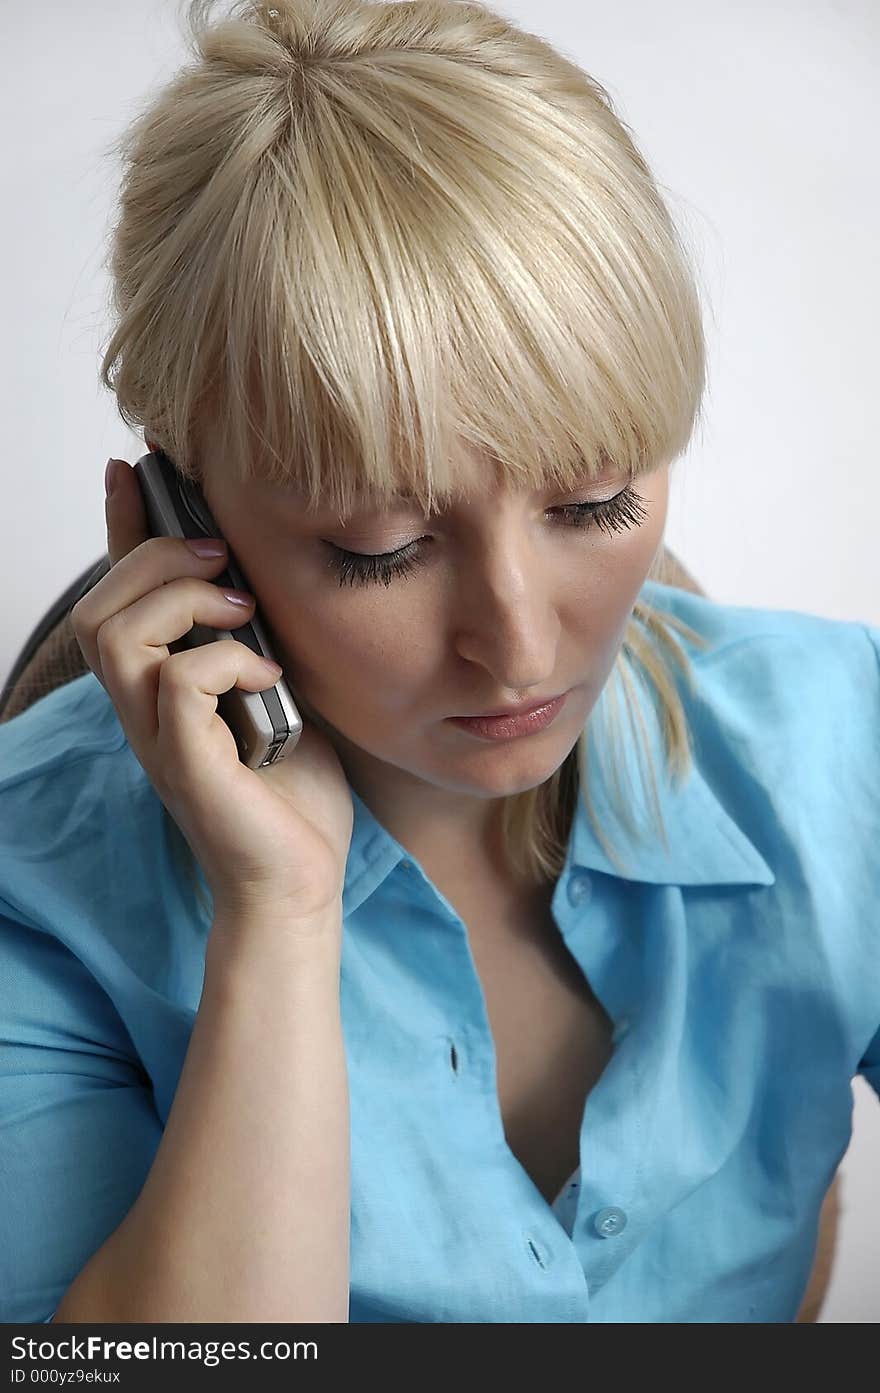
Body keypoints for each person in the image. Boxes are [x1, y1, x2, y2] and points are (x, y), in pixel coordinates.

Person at [1, 0, 878, 1324]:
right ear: (184, 512)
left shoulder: (842, 737)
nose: (520, 644)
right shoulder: (31, 884)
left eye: (593, 504)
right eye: (380, 545)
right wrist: (280, 917)